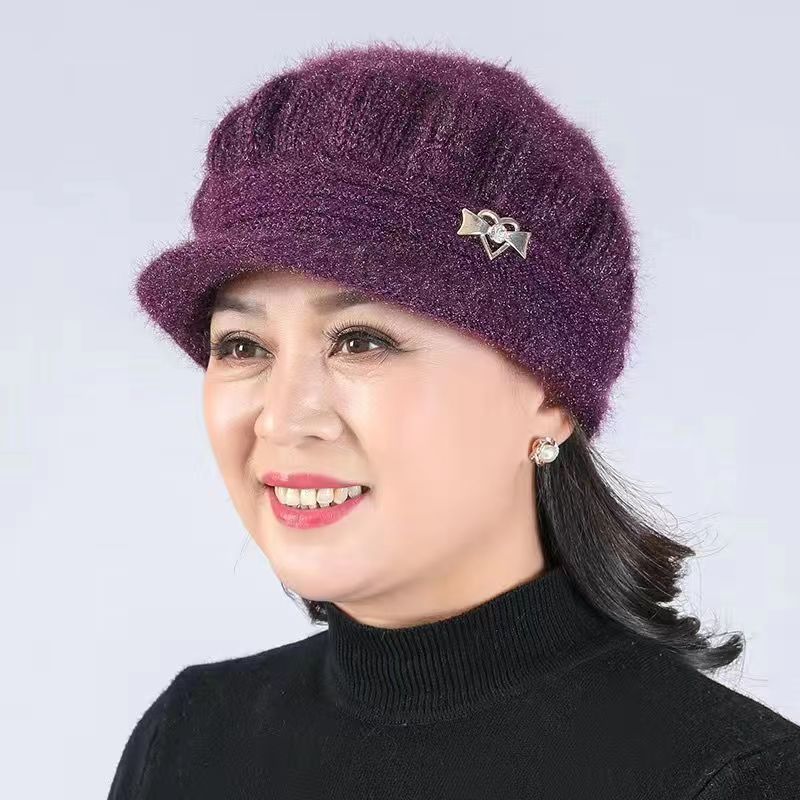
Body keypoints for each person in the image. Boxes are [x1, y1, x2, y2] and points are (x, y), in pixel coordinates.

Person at [108, 42, 800, 798]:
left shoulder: (730, 780)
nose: (281, 418)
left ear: (549, 392)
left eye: (361, 341)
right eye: (242, 346)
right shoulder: (190, 738)